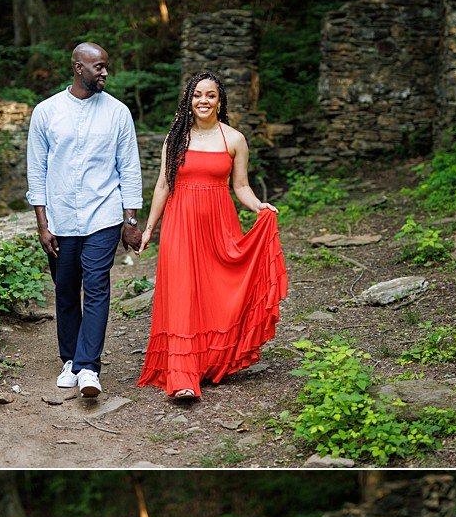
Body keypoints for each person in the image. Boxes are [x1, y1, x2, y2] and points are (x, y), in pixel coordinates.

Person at [136, 72, 287, 401]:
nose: (203, 101)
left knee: (215, 293)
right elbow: (163, 185)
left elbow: (241, 186)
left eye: (211, 95)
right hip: (179, 225)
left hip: (220, 226)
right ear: (188, 100)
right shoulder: (175, 139)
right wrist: (149, 228)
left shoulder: (234, 139)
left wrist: (258, 206)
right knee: (181, 296)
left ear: (220, 101)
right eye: (197, 95)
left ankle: (210, 362)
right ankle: (182, 376)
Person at [26, 42, 144, 399]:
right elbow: (37, 170)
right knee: (65, 291)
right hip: (60, 216)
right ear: (78, 68)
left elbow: (130, 166)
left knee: (95, 287)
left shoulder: (118, 112)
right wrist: (42, 223)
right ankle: (70, 361)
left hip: (103, 215)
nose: (105, 72)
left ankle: (89, 366)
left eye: (106, 66)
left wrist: (130, 218)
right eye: (99, 67)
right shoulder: (46, 112)